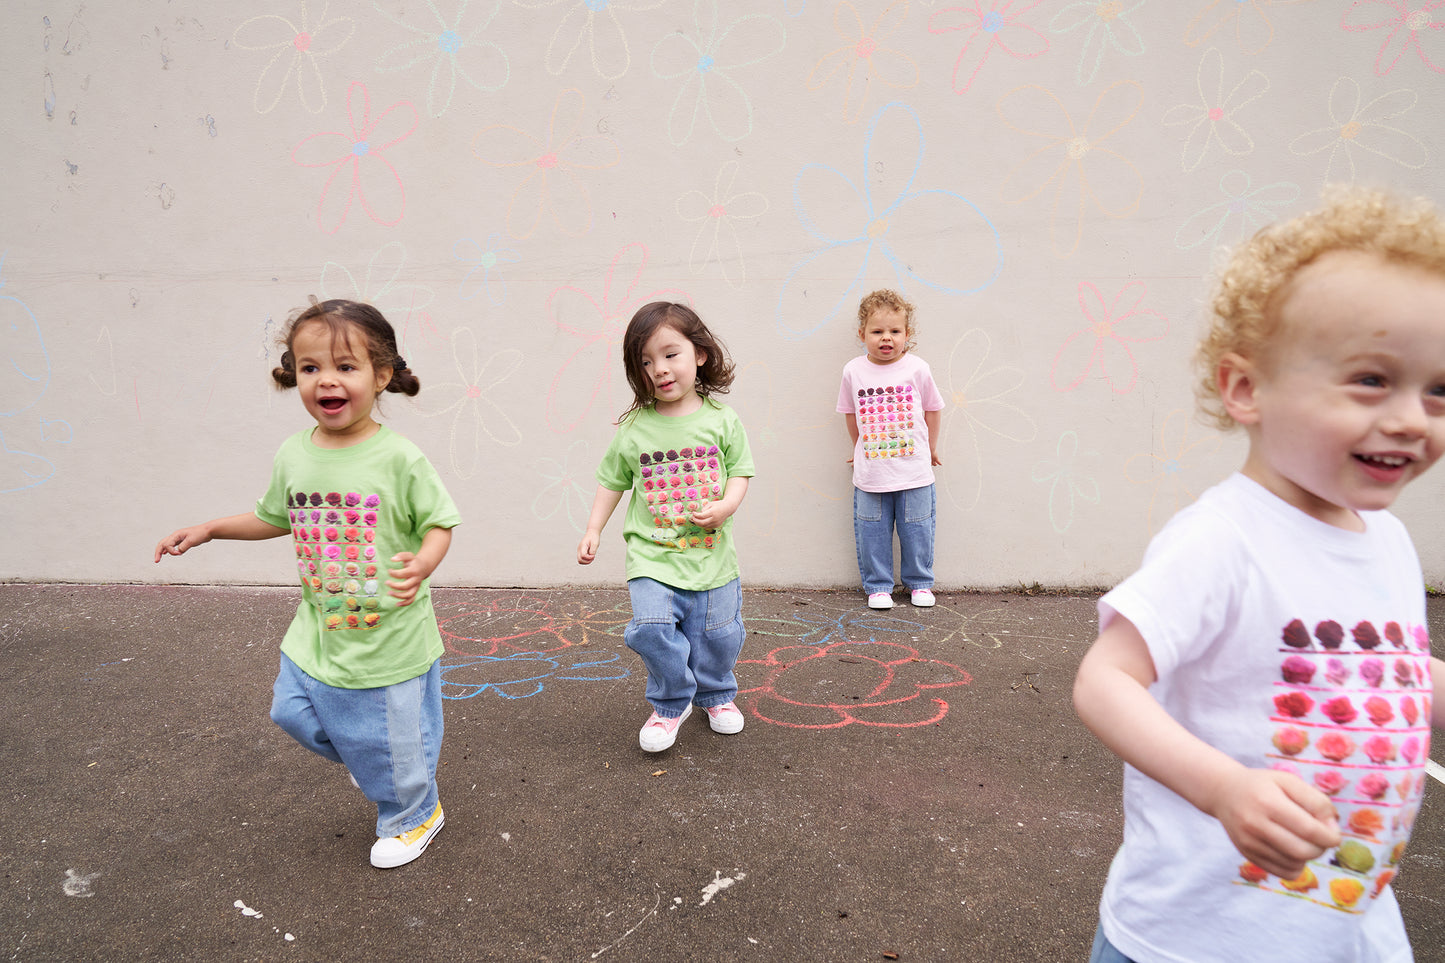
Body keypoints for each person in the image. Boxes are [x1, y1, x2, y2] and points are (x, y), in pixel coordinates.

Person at [1073, 187, 1445, 963]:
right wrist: (1224, 787)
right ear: (1246, 389)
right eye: (1371, 379)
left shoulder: (1386, 539)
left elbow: (1393, 666)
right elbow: (1104, 681)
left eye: (1437, 389)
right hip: (1195, 937)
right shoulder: (1222, 540)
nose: (1412, 417)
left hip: (1345, 924)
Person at [155, 298, 460, 870]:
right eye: (311, 367)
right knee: (291, 712)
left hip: (387, 635)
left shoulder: (400, 458)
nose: (327, 380)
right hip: (317, 628)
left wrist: (423, 562)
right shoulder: (294, 453)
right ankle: (375, 763)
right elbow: (275, 517)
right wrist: (210, 529)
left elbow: (440, 523)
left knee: (394, 742)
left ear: (381, 375)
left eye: (346, 366)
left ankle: (415, 814)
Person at [576, 301, 755, 753]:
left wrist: (726, 506)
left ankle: (716, 694)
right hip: (652, 556)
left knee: (718, 636)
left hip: (712, 558)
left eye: (670, 354)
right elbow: (612, 480)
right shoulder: (635, 427)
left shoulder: (721, 420)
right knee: (651, 627)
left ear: (700, 354)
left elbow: (740, 472)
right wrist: (594, 528)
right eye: (645, 362)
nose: (659, 369)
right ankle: (672, 702)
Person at [836, 289, 945, 610]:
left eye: (895, 331)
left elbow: (933, 409)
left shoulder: (918, 369)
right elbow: (850, 413)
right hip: (871, 473)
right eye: (877, 331)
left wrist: (932, 448)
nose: (887, 338)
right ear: (862, 334)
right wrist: (857, 446)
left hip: (914, 470)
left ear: (907, 334)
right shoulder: (853, 371)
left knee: (918, 529)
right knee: (872, 531)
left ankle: (919, 583)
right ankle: (878, 586)